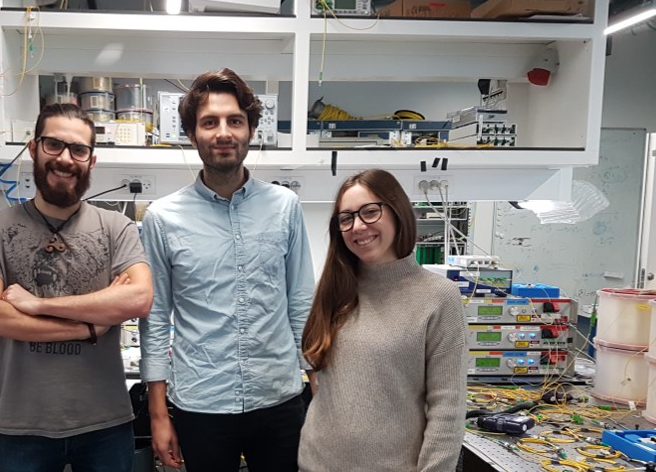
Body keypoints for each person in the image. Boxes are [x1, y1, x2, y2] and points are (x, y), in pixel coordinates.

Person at [139, 68, 316, 472]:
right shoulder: (162, 218)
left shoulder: (284, 207)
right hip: (202, 404)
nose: (223, 133)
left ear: (250, 130)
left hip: (278, 399)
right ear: (191, 134)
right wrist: (158, 415)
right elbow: (156, 318)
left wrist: (320, 396)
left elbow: (301, 304)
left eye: (235, 121)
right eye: (210, 122)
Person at [0, 103, 153, 472]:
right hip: (23, 427)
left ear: (91, 161)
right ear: (34, 149)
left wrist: (36, 305)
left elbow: (139, 298)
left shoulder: (117, 227)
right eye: (54, 145)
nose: (65, 159)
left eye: (78, 149)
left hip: (106, 423)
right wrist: (89, 327)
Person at [299, 168, 467, 472]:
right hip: (316, 464)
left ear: (397, 211)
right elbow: (319, 373)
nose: (357, 226)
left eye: (370, 212)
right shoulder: (331, 290)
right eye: (346, 218)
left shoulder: (439, 296)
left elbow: (447, 408)